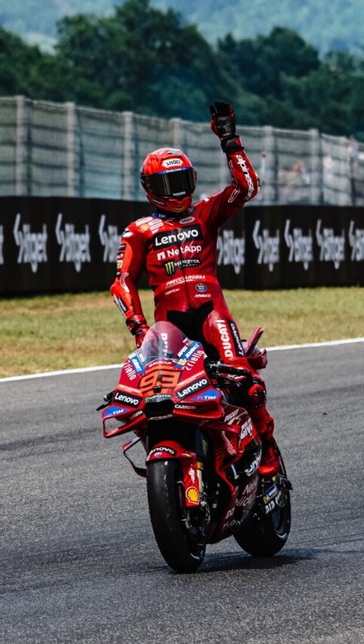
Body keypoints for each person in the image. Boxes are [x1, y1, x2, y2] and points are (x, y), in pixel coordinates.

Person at [110, 101, 284, 491]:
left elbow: (248, 187)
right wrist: (138, 328)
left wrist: (229, 141)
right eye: (169, 185)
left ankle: (268, 447)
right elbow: (122, 282)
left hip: (211, 314)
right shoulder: (139, 230)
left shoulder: (205, 213)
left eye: (183, 181)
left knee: (246, 381)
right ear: (151, 190)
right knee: (154, 399)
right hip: (168, 328)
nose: (178, 192)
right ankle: (198, 452)